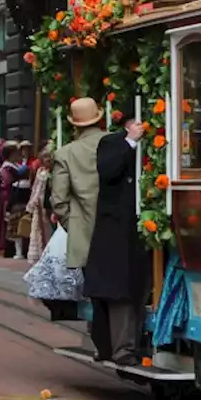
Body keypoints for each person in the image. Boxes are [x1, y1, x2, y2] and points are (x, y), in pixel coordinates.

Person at [83, 116, 149, 366]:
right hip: (116, 229)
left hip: (137, 229)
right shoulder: (112, 143)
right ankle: (117, 347)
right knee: (116, 290)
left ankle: (129, 344)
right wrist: (130, 143)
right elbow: (108, 171)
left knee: (134, 288)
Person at [51, 98, 108, 324]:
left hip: (83, 231)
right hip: (116, 226)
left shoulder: (66, 153)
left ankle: (102, 335)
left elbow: (59, 199)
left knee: (94, 288)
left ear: (74, 124)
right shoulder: (113, 143)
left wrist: (71, 222)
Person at [25, 142, 55, 263]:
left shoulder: (55, 172)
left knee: (49, 228)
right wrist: (32, 203)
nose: (47, 160)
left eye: (49, 157)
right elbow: (36, 188)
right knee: (39, 229)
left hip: (51, 202)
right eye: (45, 157)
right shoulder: (40, 171)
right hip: (41, 203)